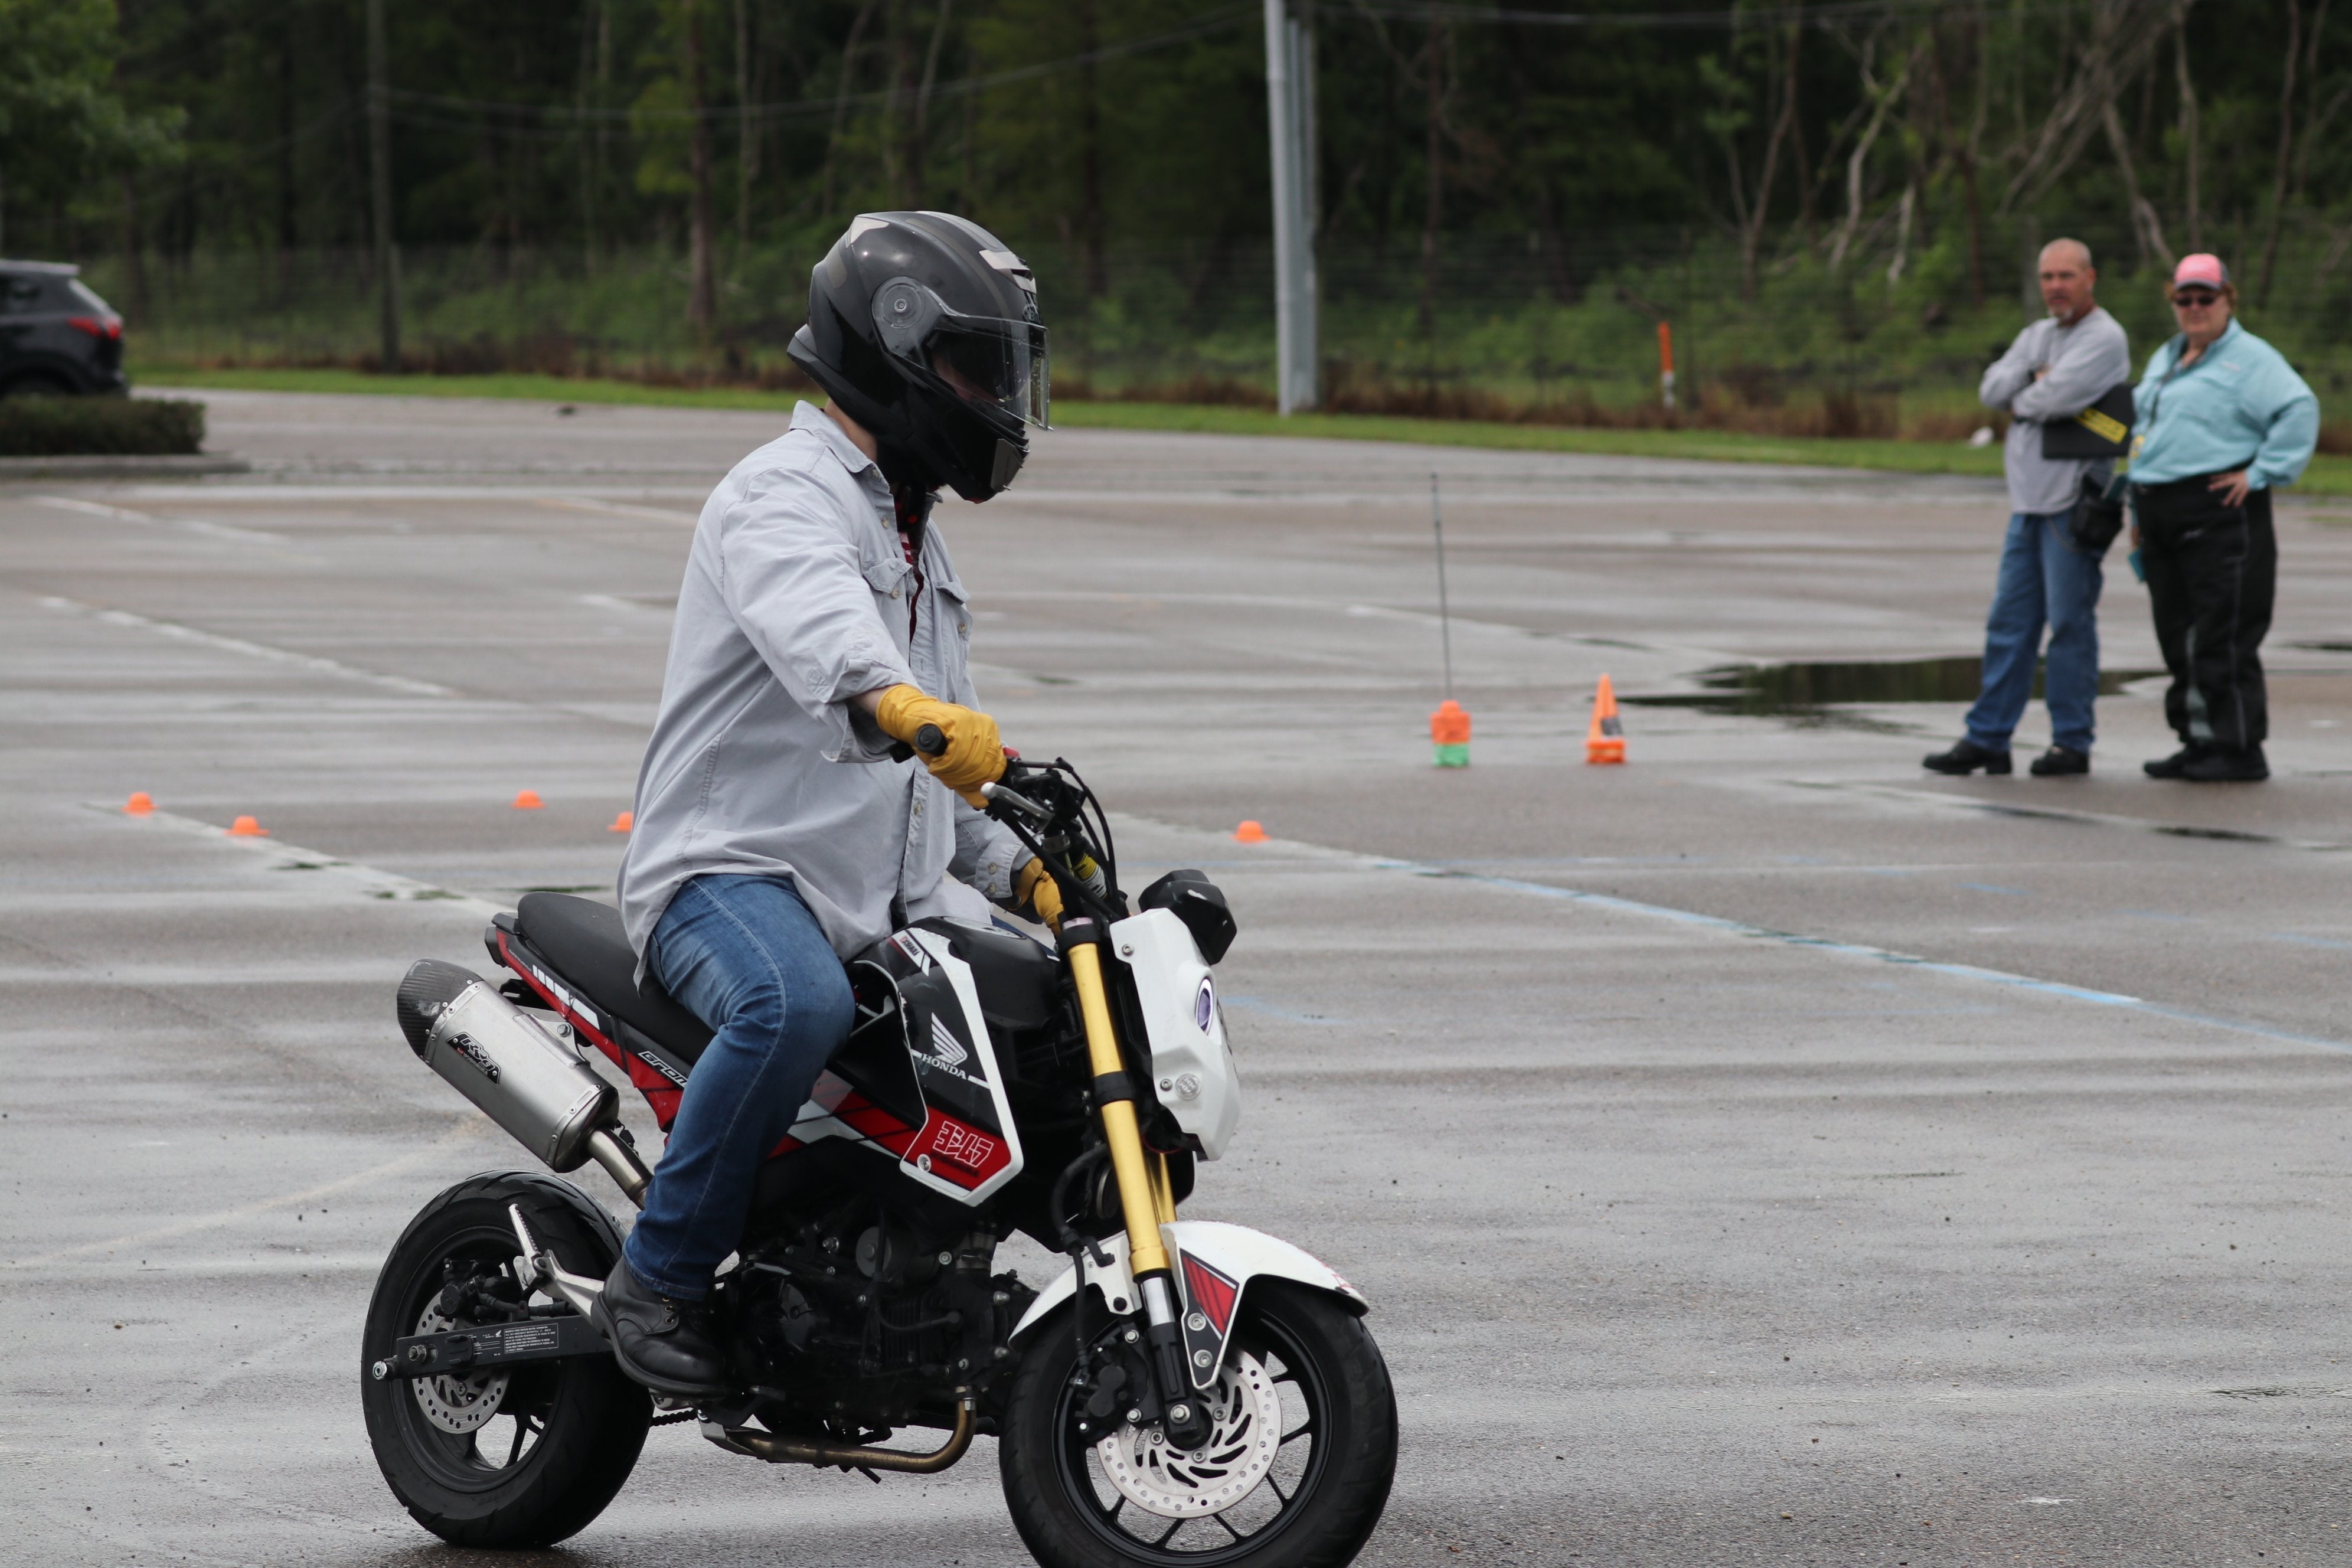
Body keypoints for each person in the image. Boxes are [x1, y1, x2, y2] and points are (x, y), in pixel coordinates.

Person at [595, 211, 1063, 1397]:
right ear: (892, 349)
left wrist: (1028, 873)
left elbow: (940, 765)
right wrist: (901, 702)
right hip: (727, 877)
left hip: (874, 902)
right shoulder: (784, 495)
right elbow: (830, 636)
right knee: (791, 1003)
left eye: (1003, 372)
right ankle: (658, 1274)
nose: (996, 398)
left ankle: (921, 1275)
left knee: (1042, 1008)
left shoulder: (913, 535)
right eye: (974, 369)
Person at [1925, 239, 2131, 778]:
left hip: (2073, 505)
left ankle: (2071, 742)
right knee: (2009, 625)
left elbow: (2055, 398)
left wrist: (2029, 392)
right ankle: (1988, 738)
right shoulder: (2037, 335)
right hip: (2027, 506)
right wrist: (2030, 380)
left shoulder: (2104, 338)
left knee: (2069, 626)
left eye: (2067, 276)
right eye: (2047, 277)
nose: (2056, 287)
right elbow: (1991, 389)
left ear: (2091, 278)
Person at [2127, 254, 2318, 783]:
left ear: (2228, 300)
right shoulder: (2168, 357)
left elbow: (2299, 408)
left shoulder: (2250, 359)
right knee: (2178, 633)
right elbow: (2145, 431)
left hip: (2218, 511)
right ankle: (2199, 739)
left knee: (2223, 633)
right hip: (2162, 511)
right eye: (2184, 298)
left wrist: (2260, 472)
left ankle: (2238, 748)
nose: (2194, 307)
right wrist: (2138, 505)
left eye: (2205, 298)